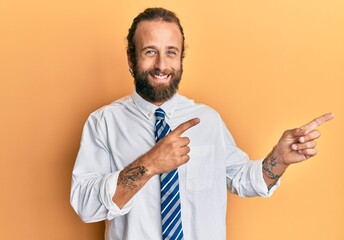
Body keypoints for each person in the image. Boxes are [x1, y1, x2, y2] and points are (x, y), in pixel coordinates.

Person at [70, 7, 334, 240]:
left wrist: (280, 158)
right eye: (150, 52)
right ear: (131, 58)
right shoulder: (103, 122)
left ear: (181, 57)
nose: (162, 65)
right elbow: (85, 205)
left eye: (171, 52)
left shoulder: (208, 120)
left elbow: (242, 179)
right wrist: (151, 163)